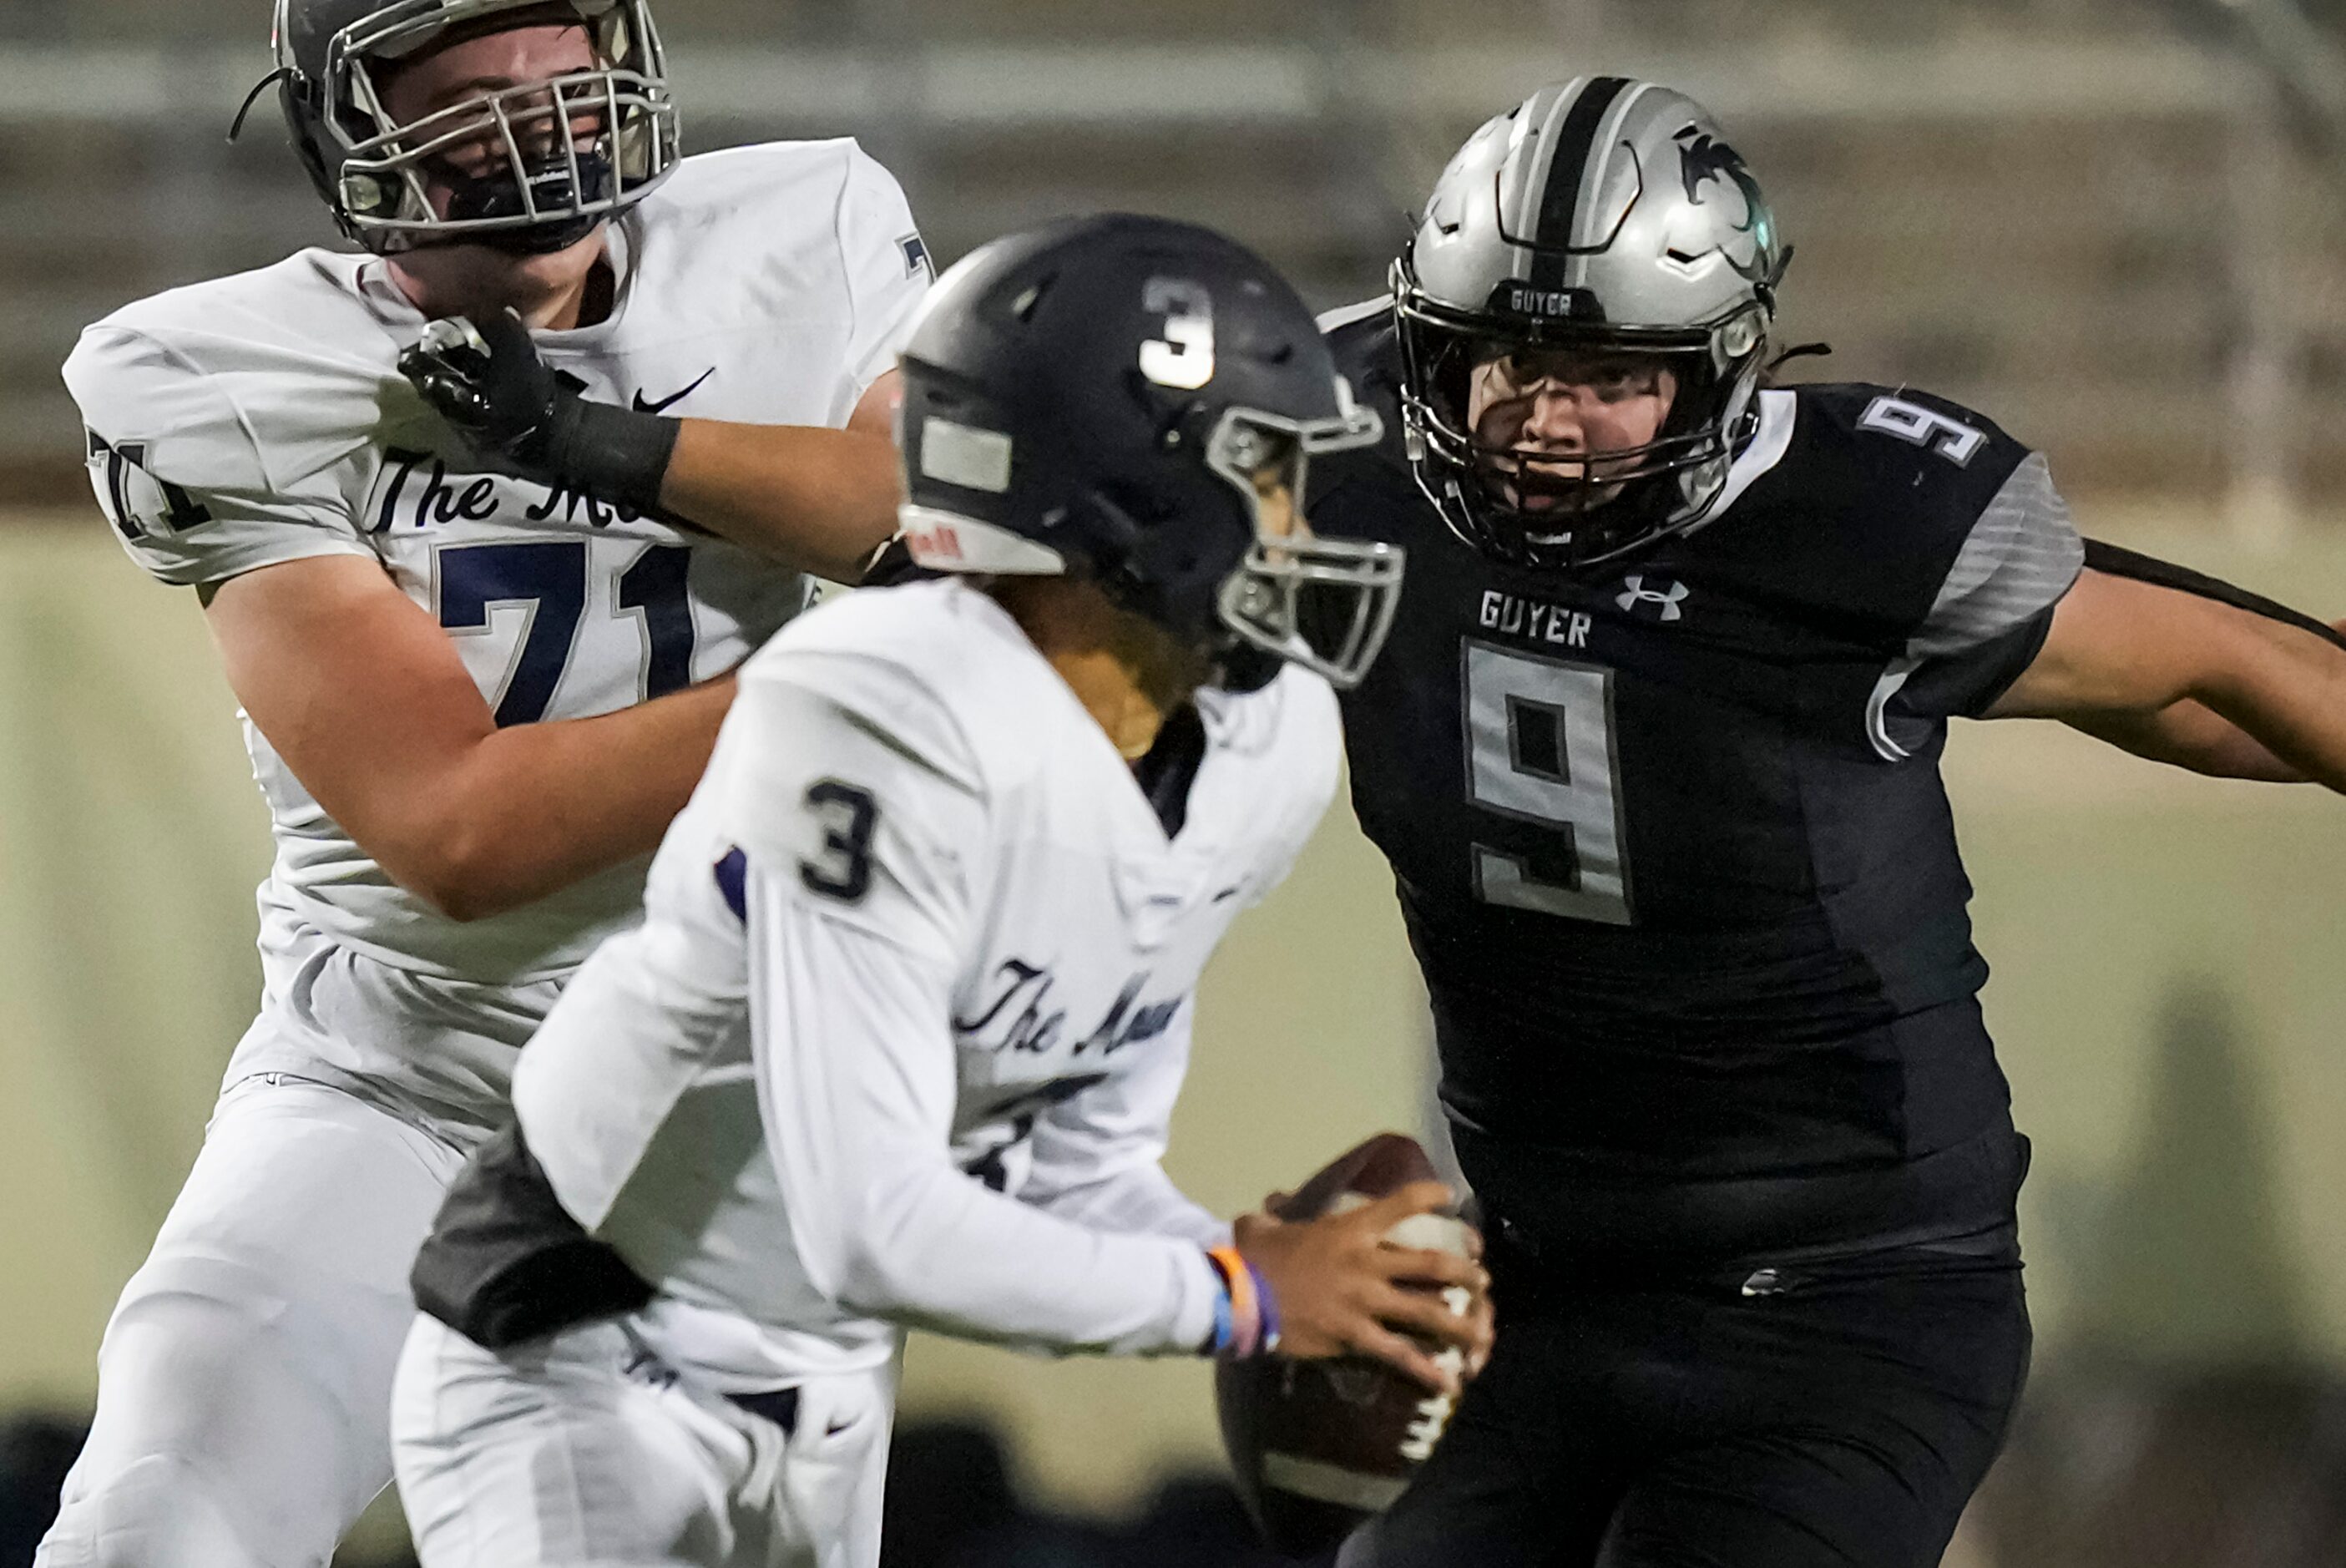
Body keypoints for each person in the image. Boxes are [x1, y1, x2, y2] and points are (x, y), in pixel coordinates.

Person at [1302, 78, 2346, 1567]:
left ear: (1720, 366)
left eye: (1605, 371)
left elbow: (2210, 674)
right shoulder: (1339, 445)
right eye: (1506, 358)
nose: (1541, 418)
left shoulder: (1851, 521)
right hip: (1536, 1286)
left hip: (1852, 1304)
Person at [383, 214, 1490, 1568]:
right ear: (1126, 494)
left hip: (830, 1376)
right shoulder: (879, 711)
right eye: (1262, 466)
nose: (1295, 518)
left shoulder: (1260, 743)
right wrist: (1239, 1293)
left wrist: (1300, 1285)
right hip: (579, 1338)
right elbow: (875, 1220)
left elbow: (1073, 1162)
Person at [45, 2, 925, 1563]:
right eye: (465, 92)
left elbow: (906, 518)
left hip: (732, 1117)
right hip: (404, 1082)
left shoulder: (803, 229)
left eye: (563, 73)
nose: (538, 123)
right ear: (346, 126)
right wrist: (850, 699)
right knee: (154, 1524)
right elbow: (459, 829)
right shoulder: (224, 369)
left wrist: (603, 445)